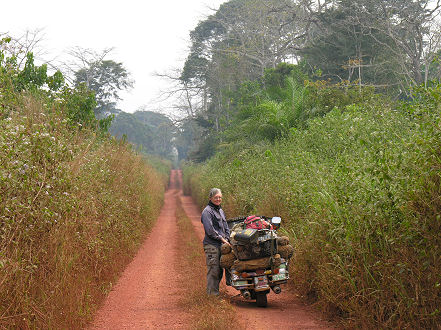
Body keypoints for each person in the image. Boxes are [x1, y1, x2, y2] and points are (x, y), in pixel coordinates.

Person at [201, 188, 231, 295]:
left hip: (222, 245)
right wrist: (223, 239)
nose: (218, 199)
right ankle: (212, 296)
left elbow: (226, 227)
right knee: (213, 270)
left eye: (220, 197)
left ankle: (215, 292)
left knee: (220, 271)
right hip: (212, 245)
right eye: (216, 197)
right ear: (210, 198)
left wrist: (227, 239)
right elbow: (210, 231)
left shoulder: (221, 210)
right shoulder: (207, 212)